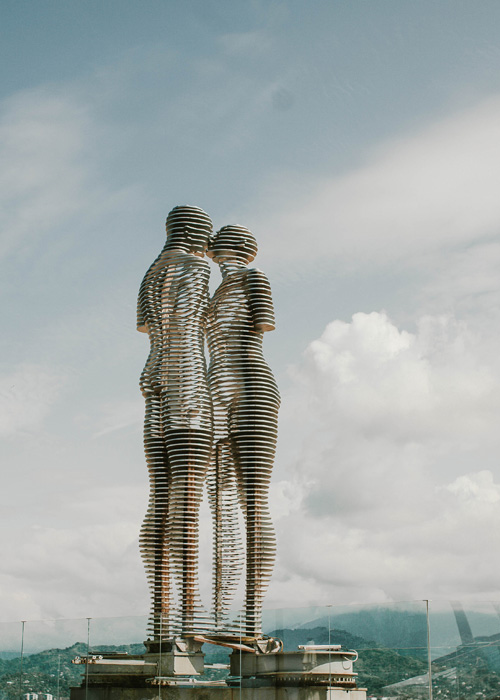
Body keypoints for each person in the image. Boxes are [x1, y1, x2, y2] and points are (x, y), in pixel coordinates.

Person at [137, 205, 215, 640]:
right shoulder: (195, 267)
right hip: (188, 395)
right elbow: (200, 328)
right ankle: (190, 614)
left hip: (154, 396)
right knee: (186, 505)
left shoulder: (151, 273)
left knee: (158, 502)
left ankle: (160, 615)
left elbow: (146, 330)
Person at [206, 224, 279, 638]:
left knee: (252, 499)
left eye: (220, 241)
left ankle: (252, 616)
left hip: (252, 389)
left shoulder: (255, 279)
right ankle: (221, 616)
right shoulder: (213, 293)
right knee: (219, 496)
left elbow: (261, 325)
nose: (212, 247)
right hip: (219, 393)